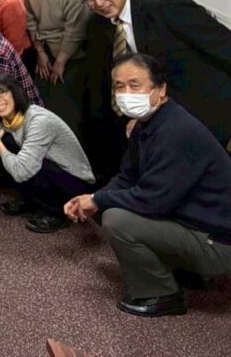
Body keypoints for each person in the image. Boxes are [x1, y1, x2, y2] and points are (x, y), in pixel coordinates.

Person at [64, 53, 231, 318]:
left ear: (160, 89)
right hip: (197, 224)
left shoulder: (175, 131)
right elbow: (128, 177)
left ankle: (163, 294)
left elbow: (153, 200)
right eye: (119, 86)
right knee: (108, 204)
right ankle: (185, 270)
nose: (126, 93)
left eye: (135, 85)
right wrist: (95, 197)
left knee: (117, 220)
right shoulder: (149, 124)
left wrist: (99, 201)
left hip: (219, 243)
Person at [77, 0, 231, 173]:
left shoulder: (164, 5)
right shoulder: (99, 24)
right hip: (165, 116)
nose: (99, 3)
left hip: (209, 107)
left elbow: (224, 46)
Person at [0, 73, 94, 234]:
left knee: (12, 151)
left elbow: (21, 172)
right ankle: (34, 201)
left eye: (2, 91)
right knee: (9, 145)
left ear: (15, 92)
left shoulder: (39, 120)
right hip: (43, 170)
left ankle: (56, 212)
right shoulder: (1, 122)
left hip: (74, 183)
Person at [20, 0, 91, 127]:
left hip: (71, 52)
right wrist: (40, 51)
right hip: (42, 46)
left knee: (66, 109)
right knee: (39, 104)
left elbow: (75, 28)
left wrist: (61, 61)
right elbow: (29, 16)